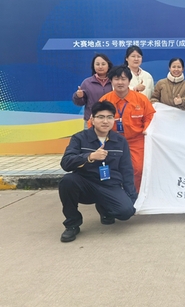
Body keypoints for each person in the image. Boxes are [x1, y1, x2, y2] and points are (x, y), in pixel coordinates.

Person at [59, 101, 137, 243]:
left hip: (109, 185)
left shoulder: (120, 141)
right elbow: (66, 163)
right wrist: (89, 156)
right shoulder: (79, 138)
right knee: (67, 181)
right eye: (100, 117)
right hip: (85, 184)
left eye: (109, 117)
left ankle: (104, 208)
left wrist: (131, 198)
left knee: (126, 212)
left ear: (114, 120)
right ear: (92, 119)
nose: (105, 121)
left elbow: (127, 170)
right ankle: (72, 224)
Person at [100, 65, 155, 192]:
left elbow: (150, 116)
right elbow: (95, 121)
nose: (120, 82)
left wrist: (146, 128)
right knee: (112, 168)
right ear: (111, 81)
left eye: (123, 79)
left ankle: (135, 195)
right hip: (112, 141)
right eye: (116, 79)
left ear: (129, 81)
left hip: (136, 140)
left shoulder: (140, 99)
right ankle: (115, 194)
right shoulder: (105, 100)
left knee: (138, 168)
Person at [72, 54, 113, 125]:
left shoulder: (114, 81)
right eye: (97, 64)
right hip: (91, 121)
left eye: (103, 64)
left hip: (110, 120)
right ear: (93, 66)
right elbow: (79, 103)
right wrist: (78, 96)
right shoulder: (87, 83)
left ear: (108, 66)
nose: (100, 66)